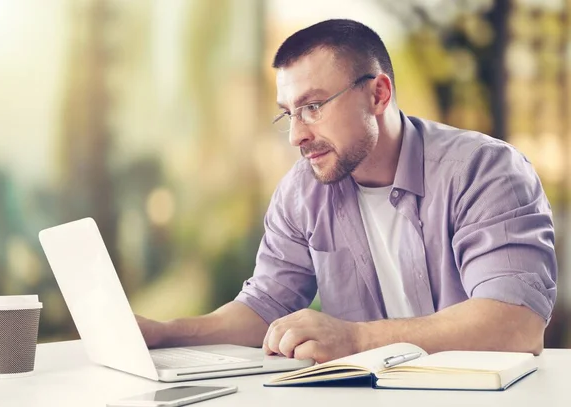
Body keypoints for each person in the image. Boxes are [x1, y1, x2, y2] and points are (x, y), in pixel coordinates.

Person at [137, 19, 557, 363]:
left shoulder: (485, 171)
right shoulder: (301, 192)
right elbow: (265, 307)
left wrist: (356, 340)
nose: (296, 136)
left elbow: (516, 323)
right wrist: (164, 333)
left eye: (313, 107)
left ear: (378, 93)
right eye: (289, 113)